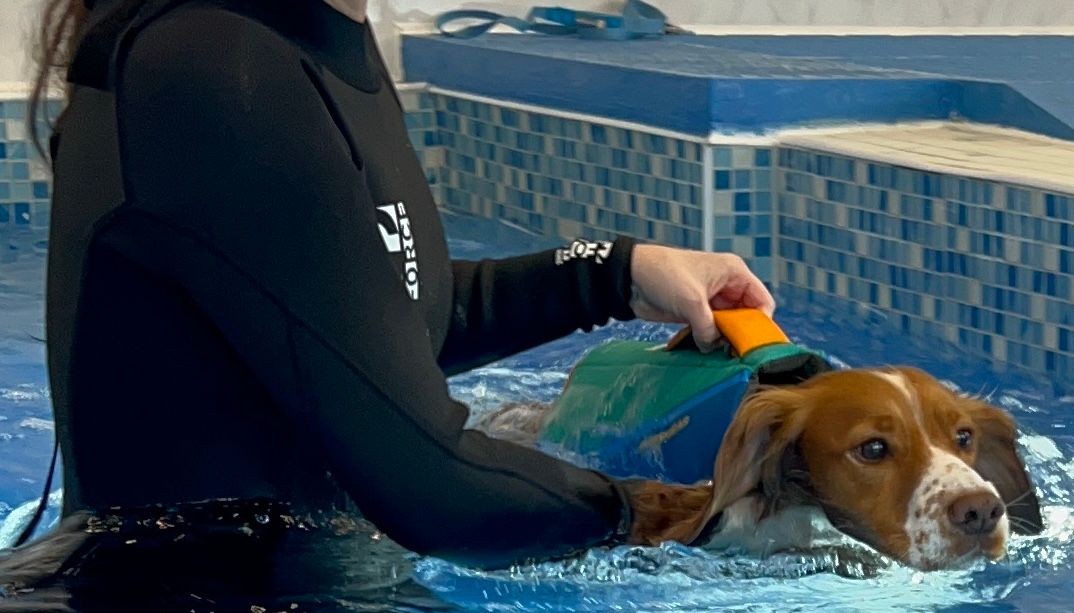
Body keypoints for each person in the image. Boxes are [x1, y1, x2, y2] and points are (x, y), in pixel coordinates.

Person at [20, 0, 775, 568]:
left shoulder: (309, 30)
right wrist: (681, 516)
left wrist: (611, 274)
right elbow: (431, 483)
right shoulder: (215, 62)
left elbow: (372, 319)